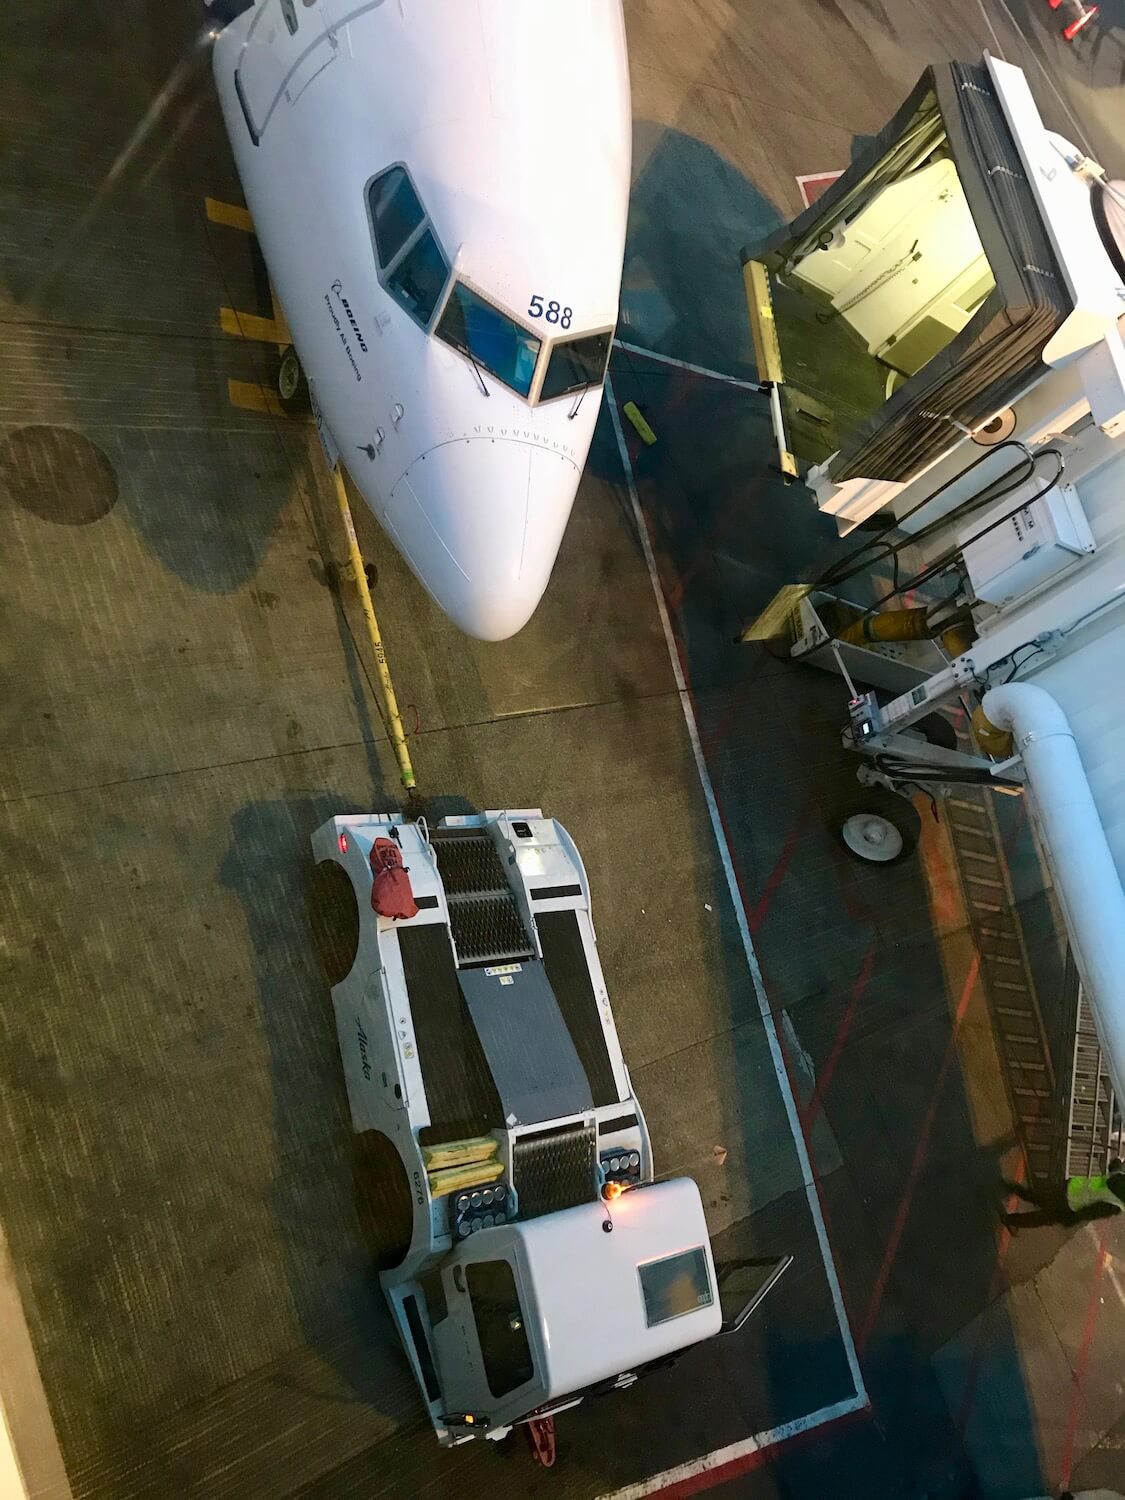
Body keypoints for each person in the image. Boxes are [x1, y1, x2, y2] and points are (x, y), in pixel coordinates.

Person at [1001, 1161, 1125, 1231]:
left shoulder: (1120, 1177)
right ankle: (1010, 1220)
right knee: (1041, 1218)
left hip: (1072, 1186)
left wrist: (1118, 1163)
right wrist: (1072, 1220)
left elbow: (1114, 1166)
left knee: (1039, 1197)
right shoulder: (1116, 1205)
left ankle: (1013, 1188)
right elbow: (1091, 1212)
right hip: (1070, 1205)